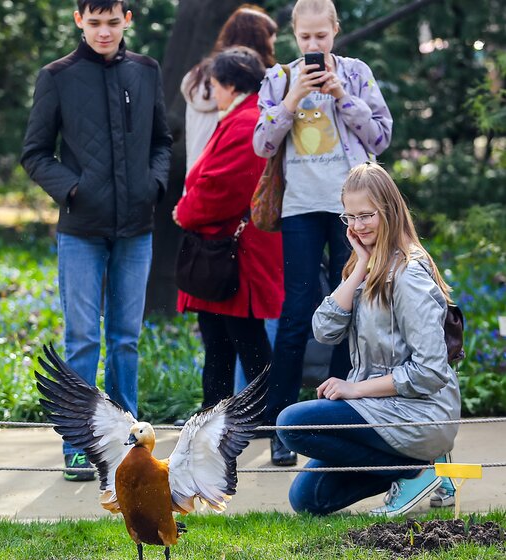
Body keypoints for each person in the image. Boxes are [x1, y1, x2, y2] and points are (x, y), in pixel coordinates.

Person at [20, 0, 172, 481]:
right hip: (81, 231)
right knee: (82, 339)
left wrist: (154, 185)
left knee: (126, 340)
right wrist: (73, 189)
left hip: (136, 229)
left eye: (112, 22)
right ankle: (78, 444)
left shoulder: (147, 72)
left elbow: (162, 142)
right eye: (94, 23)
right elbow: (35, 152)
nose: (103, 32)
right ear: (78, 20)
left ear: (127, 20)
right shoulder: (57, 76)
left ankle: (129, 440)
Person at [252, 0, 393, 466]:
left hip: (354, 209)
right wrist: (291, 100)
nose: (314, 46)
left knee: (351, 306)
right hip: (299, 209)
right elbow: (261, 143)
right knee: (296, 312)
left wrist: (342, 98)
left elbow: (380, 137)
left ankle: (334, 418)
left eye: (321, 37)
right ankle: (279, 424)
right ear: (295, 34)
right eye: (305, 38)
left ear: (335, 31)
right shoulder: (278, 79)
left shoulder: (356, 74)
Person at [276, 162, 460, 516]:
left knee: (291, 423)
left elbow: (430, 372)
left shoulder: (408, 274)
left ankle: (417, 469)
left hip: (420, 413)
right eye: (349, 218)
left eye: (366, 216)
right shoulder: (368, 264)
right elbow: (324, 330)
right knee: (307, 500)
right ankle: (427, 471)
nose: (357, 227)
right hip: (380, 411)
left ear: (388, 211)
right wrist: (359, 266)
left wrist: (355, 389)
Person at [173, 47, 283, 410]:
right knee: (221, 343)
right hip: (228, 254)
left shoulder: (244, 121)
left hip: (236, 256)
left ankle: (270, 421)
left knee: (245, 344)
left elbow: (220, 188)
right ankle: (216, 420)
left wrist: (184, 212)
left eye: (216, 85)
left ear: (232, 85)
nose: (213, 93)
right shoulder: (245, 116)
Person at [180, 4, 277, 173]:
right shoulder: (260, 85)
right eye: (271, 41)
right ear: (260, 42)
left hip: (197, 174)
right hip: (234, 177)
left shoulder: (197, 77)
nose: (273, 48)